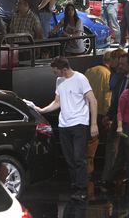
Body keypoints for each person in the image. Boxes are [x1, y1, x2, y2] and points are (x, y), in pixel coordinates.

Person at [36, 57, 98, 201]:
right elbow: (57, 102)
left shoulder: (80, 79)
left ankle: (82, 188)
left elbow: (93, 100)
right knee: (69, 158)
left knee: (79, 157)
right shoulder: (59, 81)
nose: (54, 74)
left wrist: (94, 124)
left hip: (79, 123)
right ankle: (75, 185)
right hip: (64, 125)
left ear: (64, 69)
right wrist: (42, 110)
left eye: (56, 71)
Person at [100, 52, 129, 190]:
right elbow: (116, 100)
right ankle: (108, 178)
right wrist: (109, 115)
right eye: (119, 64)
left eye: (123, 64)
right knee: (112, 148)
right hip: (117, 118)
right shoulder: (120, 79)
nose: (119, 66)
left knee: (127, 150)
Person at [84, 52, 112, 178]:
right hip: (101, 112)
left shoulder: (89, 71)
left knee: (90, 142)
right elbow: (107, 96)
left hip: (88, 111)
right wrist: (108, 114)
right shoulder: (108, 74)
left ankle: (88, 170)